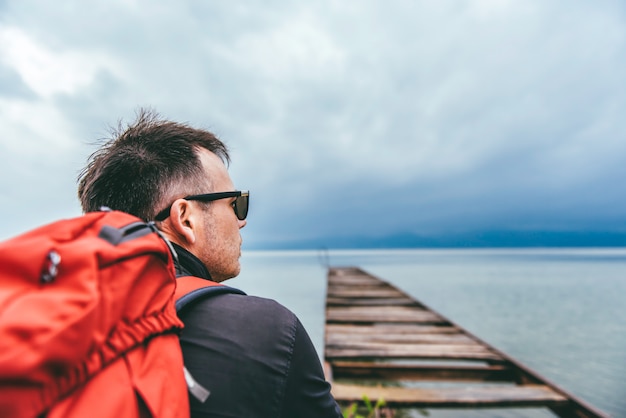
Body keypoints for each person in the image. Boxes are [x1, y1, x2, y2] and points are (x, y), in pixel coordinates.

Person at [77, 109, 342, 418]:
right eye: (235, 203)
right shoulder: (267, 329)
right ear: (185, 218)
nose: (241, 222)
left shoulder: (45, 323)